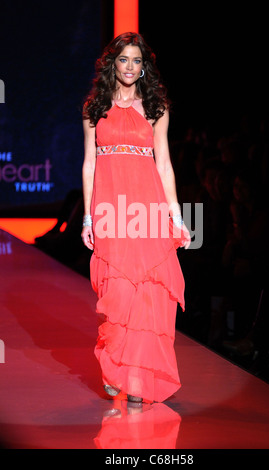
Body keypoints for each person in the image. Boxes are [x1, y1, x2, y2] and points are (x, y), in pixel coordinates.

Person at [81, 32, 190, 404]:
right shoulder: (94, 107)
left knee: (148, 293)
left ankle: (140, 378)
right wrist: (86, 217)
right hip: (110, 209)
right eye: (124, 59)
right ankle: (115, 365)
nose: (130, 66)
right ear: (112, 63)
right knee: (118, 291)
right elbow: (90, 163)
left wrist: (175, 214)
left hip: (149, 208)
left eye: (137, 61)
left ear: (145, 68)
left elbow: (164, 164)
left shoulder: (156, 108)